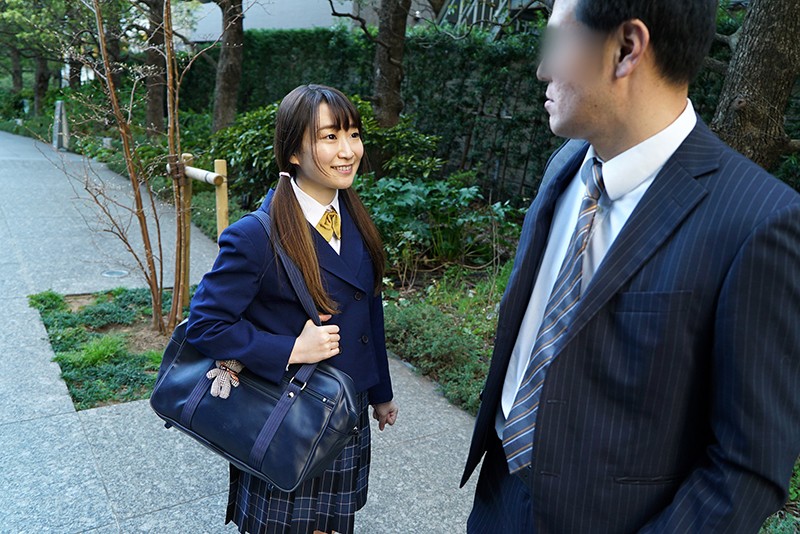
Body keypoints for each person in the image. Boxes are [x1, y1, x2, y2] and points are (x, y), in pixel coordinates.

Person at [461, 0, 800, 532]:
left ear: (625, 49)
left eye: (558, 40)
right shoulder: (568, 162)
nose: (543, 69)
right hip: (498, 501)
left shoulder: (759, 222)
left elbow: (746, 466)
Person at [186, 84, 398, 534]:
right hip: (288, 414)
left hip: (346, 409)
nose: (348, 151)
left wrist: (380, 392)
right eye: (329, 137)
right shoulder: (255, 235)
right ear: (294, 151)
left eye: (353, 134)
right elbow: (204, 325)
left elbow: (368, 310)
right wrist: (291, 349)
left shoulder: (355, 218)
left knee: (335, 524)